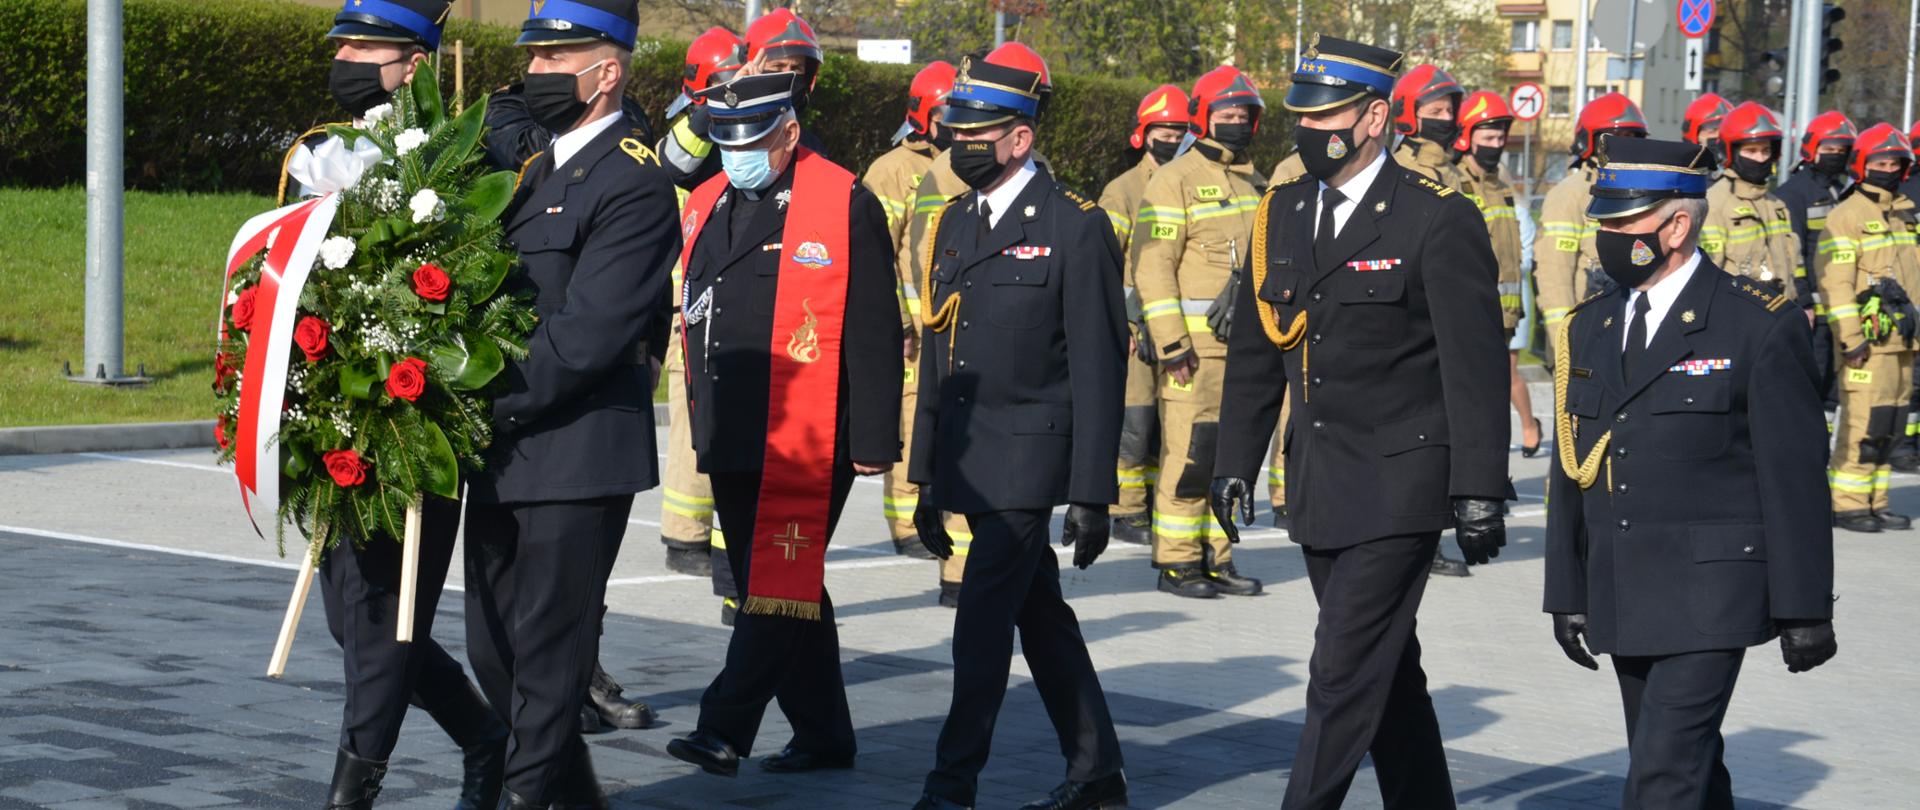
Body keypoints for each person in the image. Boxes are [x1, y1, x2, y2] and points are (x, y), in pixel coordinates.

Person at [1210, 35, 1511, 808]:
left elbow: (1472, 367)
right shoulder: (1280, 211)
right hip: (1318, 479)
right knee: (1386, 672)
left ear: (1375, 118)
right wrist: (1233, 461)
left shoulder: (1436, 217)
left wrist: (1479, 486)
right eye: (1300, 116)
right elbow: (1255, 352)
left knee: (1340, 670)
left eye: (1327, 115)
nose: (1309, 129)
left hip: (1401, 481)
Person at [1543, 136, 1837, 809]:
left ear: (1676, 226)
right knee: (1684, 768)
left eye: (1622, 223)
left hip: (1711, 595)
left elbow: (1793, 479)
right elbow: (1572, 469)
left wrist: (1805, 607)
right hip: (1623, 584)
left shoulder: (1756, 327)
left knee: (1660, 781)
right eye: (1604, 221)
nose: (1606, 236)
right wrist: (1567, 586)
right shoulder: (1590, 326)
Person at [281, 5, 512, 809]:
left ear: (413, 63)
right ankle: (484, 738)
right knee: (354, 624)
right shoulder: (318, 151)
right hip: (335, 418)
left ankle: (350, 796)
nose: (344, 56)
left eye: (363, 45)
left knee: (380, 624)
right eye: (342, 43)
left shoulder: (453, 157)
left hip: (413, 423)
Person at [462, 1, 681, 805]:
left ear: (607, 71)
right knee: (493, 652)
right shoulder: (529, 170)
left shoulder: (636, 179)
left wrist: (479, 408)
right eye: (535, 61)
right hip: (505, 450)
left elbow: (586, 336)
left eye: (556, 63)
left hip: (577, 451)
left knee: (548, 661)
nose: (536, 76)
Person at [908, 43, 1130, 810]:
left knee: (979, 626)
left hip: (1031, 462)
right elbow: (940, 357)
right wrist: (926, 476)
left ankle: (951, 783)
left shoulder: (1075, 228)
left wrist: (1094, 493)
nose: (961, 141)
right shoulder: (954, 224)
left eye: (978, 130)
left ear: (1020, 138)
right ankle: (1098, 771)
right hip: (971, 458)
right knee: (1043, 620)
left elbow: (1102, 365)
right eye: (956, 127)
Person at [662, 72, 902, 778]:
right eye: (726, 139)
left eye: (754, 139)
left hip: (810, 431)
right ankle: (826, 733)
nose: (737, 153)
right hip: (733, 428)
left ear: (790, 133)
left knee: (775, 579)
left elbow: (874, 326)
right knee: (778, 583)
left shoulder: (844, 200)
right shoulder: (707, 202)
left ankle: (722, 727)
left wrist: (874, 440)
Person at [1130, 65, 1269, 598]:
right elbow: (1152, 266)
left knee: (1230, 459)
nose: (1236, 122)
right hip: (1193, 354)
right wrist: (1170, 344)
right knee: (1190, 457)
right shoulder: (1175, 179)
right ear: (1203, 118)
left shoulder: (1253, 181)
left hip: (1247, 353)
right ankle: (1178, 562)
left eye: (1243, 115)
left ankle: (1220, 556)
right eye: (1226, 114)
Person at [863, 60, 976, 607]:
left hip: (949, 323)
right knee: (911, 421)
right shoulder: (891, 170)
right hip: (912, 324)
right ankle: (907, 525)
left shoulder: (963, 165)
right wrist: (898, 321)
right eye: (944, 115)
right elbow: (876, 249)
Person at [1817, 123, 1920, 533]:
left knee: (1891, 425)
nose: (1889, 169)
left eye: (1895, 162)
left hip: (1904, 342)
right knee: (1863, 424)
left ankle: (1876, 501)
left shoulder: (1905, 212)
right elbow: (1836, 284)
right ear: (1862, 165)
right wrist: (1852, 339)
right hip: (1869, 345)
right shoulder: (1847, 215)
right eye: (1880, 162)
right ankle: (1847, 504)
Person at [1101, 83, 1187, 547]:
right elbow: (1104, 265)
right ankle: (1126, 508)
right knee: (1134, 422)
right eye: (1164, 130)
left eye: (1179, 130)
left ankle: (1156, 499)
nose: (1172, 139)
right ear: (1144, 133)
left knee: (1167, 423)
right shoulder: (1123, 191)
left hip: (1174, 327)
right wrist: (1120, 325)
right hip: (1135, 328)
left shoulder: (1187, 183)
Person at [1455, 90, 1538, 458]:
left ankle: (1490, 476)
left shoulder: (1501, 187)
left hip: (1502, 318)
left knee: (1491, 402)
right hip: (1467, 315)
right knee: (1466, 402)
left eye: (1501, 138)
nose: (1496, 145)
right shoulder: (1455, 182)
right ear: (1466, 137)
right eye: (1487, 137)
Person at [1537, 93, 1648, 354]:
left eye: (1631, 139)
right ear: (1588, 143)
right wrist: (1565, 345)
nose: (1623, 147)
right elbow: (1555, 277)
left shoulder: (1646, 190)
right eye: (1612, 138)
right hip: (1588, 335)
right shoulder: (1568, 196)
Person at [1774, 110, 1857, 414]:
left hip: (1843, 306)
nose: (1835, 156)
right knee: (1813, 379)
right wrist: (1804, 302)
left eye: (1841, 150)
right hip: (1813, 309)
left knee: (1837, 385)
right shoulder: (1795, 193)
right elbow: (1791, 253)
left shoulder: (1846, 189)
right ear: (1812, 149)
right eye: (1829, 149)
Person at [1701, 103, 1806, 302]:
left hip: (1781, 316)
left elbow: (1792, 267)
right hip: (1738, 319)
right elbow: (1707, 275)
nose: (1760, 158)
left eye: (1766, 151)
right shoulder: (1714, 203)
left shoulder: (1776, 205)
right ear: (1731, 152)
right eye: (1751, 151)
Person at [1389, 64, 1469, 194]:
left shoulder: (1456, 172)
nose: (1447, 118)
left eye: (1450, 110)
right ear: (1409, 116)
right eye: (1436, 112)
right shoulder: (1396, 170)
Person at [1681, 92, 1734, 174]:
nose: (1719, 135)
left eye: (1725, 129)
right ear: (1695, 136)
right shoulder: (1681, 175)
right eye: (1712, 129)